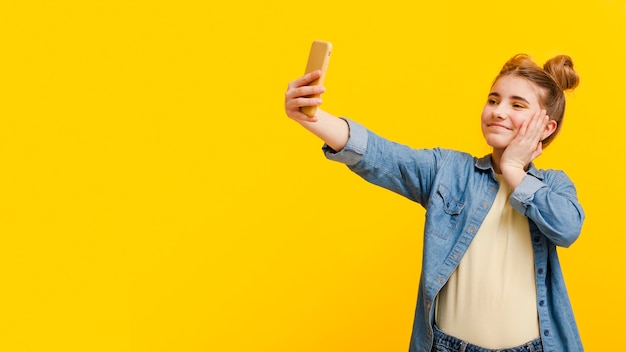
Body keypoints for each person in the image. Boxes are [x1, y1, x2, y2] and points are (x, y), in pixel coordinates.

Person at [284, 53, 584, 352]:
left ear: (547, 128)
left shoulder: (554, 185)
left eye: (516, 105)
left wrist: (515, 170)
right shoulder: (448, 171)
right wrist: (311, 116)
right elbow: (382, 155)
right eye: (493, 100)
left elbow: (567, 228)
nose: (498, 111)